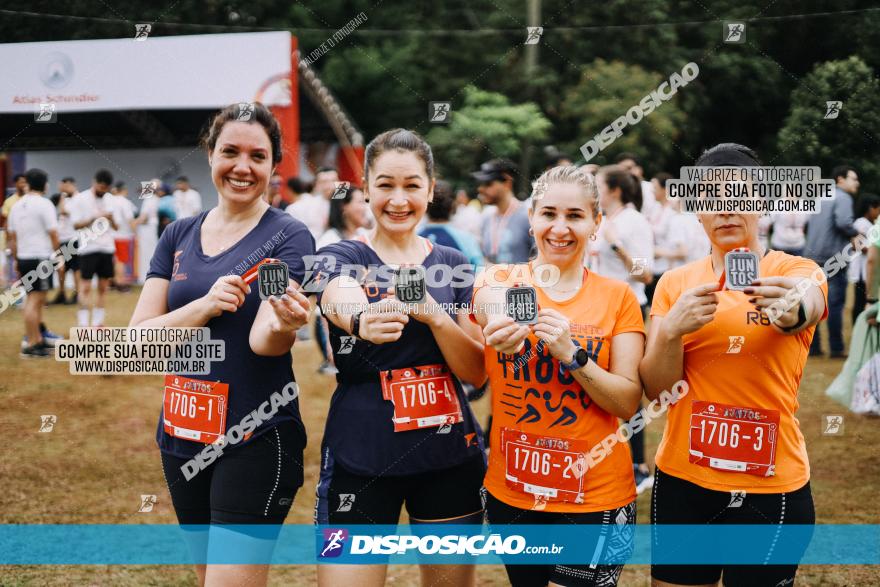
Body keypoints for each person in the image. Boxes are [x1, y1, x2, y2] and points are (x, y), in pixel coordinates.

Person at [129, 103, 314, 587]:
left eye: (258, 155)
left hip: (255, 434)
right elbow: (137, 341)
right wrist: (205, 306)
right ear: (210, 154)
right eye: (230, 151)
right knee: (208, 574)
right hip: (181, 431)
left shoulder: (288, 236)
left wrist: (283, 323)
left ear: (274, 166)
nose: (242, 166)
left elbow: (266, 343)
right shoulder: (178, 235)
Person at [641, 143, 827, 587]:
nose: (725, 210)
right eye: (711, 199)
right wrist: (670, 332)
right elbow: (658, 391)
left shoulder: (795, 268)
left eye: (738, 197)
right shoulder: (675, 284)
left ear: (761, 204)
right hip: (684, 481)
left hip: (770, 485)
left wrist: (790, 308)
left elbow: (808, 303)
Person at [309, 129, 486, 587]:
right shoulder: (342, 253)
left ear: (431, 189)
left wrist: (437, 319)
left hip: (449, 457)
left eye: (412, 185)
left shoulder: (452, 261)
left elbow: (477, 372)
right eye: (385, 185)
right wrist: (362, 319)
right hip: (360, 453)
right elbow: (333, 289)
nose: (398, 199)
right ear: (365, 188)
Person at [472, 166, 644, 587]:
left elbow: (626, 403)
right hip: (513, 491)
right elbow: (488, 298)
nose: (560, 228)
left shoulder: (617, 296)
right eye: (548, 214)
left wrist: (573, 356)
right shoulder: (501, 278)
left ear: (596, 223)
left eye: (575, 216)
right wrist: (501, 324)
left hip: (595, 496)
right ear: (531, 219)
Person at [589, 165, 655, 493]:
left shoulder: (633, 222)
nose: (593, 189)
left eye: (598, 184)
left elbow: (646, 273)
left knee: (628, 387)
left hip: (628, 310)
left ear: (614, 190)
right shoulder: (603, 220)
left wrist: (617, 246)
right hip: (597, 309)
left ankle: (639, 464)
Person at [313, 186, 371, 374]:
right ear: (344, 207)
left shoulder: (365, 236)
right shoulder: (328, 242)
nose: (365, 207)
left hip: (363, 317)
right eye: (360, 202)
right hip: (336, 322)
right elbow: (320, 295)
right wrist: (329, 343)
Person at [804, 164, 859, 358]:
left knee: (814, 302)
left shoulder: (821, 196)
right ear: (840, 180)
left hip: (811, 256)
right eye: (854, 178)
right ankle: (836, 348)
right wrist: (857, 233)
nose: (857, 183)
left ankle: (813, 347)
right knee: (835, 304)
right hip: (833, 257)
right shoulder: (843, 197)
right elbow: (843, 222)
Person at [7, 169, 61, 358]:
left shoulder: (17, 205)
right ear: (45, 184)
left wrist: (16, 259)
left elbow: (12, 237)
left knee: (34, 300)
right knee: (34, 300)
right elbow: (53, 233)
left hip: (24, 257)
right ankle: (31, 344)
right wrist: (59, 255)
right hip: (40, 257)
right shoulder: (45, 204)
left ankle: (36, 339)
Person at [67, 169, 118, 327]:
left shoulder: (111, 199)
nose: (102, 191)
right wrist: (93, 218)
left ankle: (98, 323)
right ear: (94, 183)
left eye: (105, 188)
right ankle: (83, 325)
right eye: (100, 187)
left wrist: (111, 219)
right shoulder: (81, 198)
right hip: (88, 248)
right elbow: (75, 224)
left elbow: (116, 227)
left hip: (107, 248)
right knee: (85, 286)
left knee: (103, 287)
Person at [474, 158, 533, 264]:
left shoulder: (527, 216)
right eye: (481, 184)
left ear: (507, 182)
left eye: (488, 183)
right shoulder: (486, 217)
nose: (480, 189)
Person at [647, 172, 690, 304]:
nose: (652, 192)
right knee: (638, 282)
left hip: (665, 266)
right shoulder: (655, 208)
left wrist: (658, 252)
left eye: (655, 188)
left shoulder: (675, 212)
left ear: (665, 189)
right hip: (650, 261)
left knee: (657, 303)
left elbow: (682, 249)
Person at [419, 180, 483, 267]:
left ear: (425, 207)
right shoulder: (466, 240)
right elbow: (479, 271)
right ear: (452, 206)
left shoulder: (411, 238)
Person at [849, 193, 880, 323]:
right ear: (871, 208)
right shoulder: (861, 223)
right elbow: (857, 245)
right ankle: (858, 324)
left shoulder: (869, 224)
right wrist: (874, 249)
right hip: (862, 271)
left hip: (865, 270)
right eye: (878, 208)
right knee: (860, 302)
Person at [49, 177, 80, 305]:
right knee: (61, 268)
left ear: (71, 185)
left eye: (64, 186)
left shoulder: (78, 199)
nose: (62, 189)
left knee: (75, 268)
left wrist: (62, 195)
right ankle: (61, 293)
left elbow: (63, 211)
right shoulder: (66, 199)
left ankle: (77, 294)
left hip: (73, 239)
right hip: (62, 238)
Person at [286, 167, 338, 239]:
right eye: (324, 181)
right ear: (316, 184)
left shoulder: (344, 204)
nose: (329, 185)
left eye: (333, 181)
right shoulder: (303, 206)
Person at [109, 181, 137, 292]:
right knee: (121, 260)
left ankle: (113, 281)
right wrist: (135, 232)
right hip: (122, 235)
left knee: (115, 260)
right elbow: (130, 219)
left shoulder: (111, 201)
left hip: (112, 235)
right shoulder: (125, 202)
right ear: (124, 190)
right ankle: (120, 283)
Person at [616, 152, 657, 219]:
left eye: (629, 168)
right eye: (621, 170)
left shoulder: (652, 188)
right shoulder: (616, 193)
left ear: (639, 170)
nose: (625, 173)